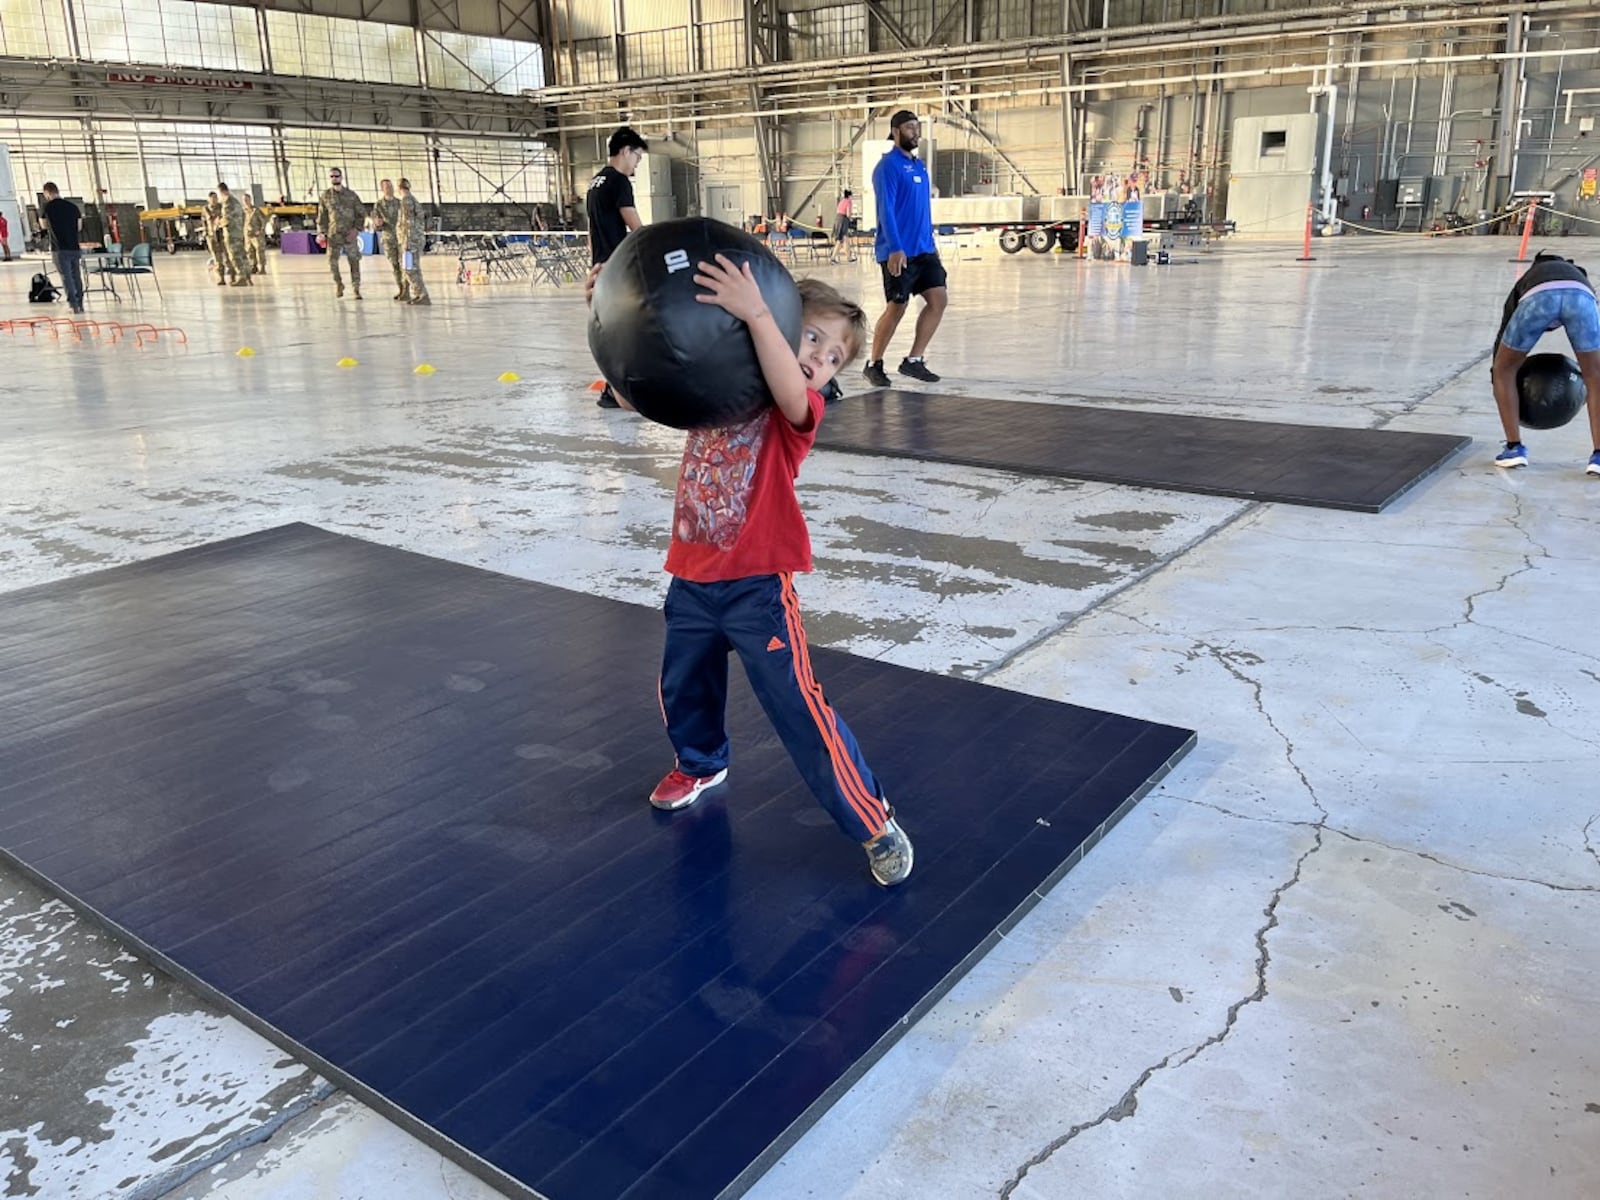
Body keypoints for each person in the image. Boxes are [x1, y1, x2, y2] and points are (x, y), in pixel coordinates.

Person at [588, 257, 914, 886]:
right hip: (692, 575)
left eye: (836, 357)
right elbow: (638, 393)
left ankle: (873, 821)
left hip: (757, 586)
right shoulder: (718, 392)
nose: (821, 358)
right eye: (812, 337)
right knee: (684, 685)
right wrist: (607, 316)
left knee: (798, 707)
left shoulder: (799, 415)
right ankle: (702, 762)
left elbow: (792, 389)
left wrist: (760, 312)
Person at [1489, 249, 1600, 476]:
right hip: (1581, 297)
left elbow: (1504, 331)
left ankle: (1513, 449)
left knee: (1503, 369)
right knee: (1595, 376)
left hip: (1539, 298)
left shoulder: (1529, 278)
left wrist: (1498, 371)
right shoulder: (1579, 277)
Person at [861, 111, 948, 388]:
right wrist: (896, 248)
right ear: (896, 131)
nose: (916, 132)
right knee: (897, 307)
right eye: (910, 127)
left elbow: (922, 211)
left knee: (938, 300)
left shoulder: (919, 166)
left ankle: (913, 361)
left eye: (917, 127)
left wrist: (932, 245)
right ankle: (874, 363)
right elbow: (885, 210)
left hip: (924, 250)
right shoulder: (888, 167)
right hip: (898, 252)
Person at [587, 126, 647, 408]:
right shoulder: (619, 181)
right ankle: (617, 391)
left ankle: (613, 388)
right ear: (626, 151)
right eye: (637, 157)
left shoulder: (595, 182)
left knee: (609, 331)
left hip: (600, 265)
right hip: (618, 267)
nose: (637, 164)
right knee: (626, 331)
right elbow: (635, 227)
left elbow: (592, 231)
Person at [316, 167, 365, 300]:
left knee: (354, 262)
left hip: (349, 234)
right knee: (332, 262)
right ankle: (339, 284)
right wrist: (321, 232)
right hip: (334, 235)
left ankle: (356, 288)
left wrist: (356, 230)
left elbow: (361, 214)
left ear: (341, 177)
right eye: (331, 176)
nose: (334, 179)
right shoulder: (325, 196)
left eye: (336, 176)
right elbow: (322, 216)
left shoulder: (351, 195)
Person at [40, 183, 84, 314]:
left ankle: (73, 305)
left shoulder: (47, 207)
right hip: (74, 247)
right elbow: (80, 227)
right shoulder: (73, 207)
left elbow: (43, 225)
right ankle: (80, 304)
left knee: (66, 277)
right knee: (76, 276)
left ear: (47, 194)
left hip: (59, 248)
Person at [371, 179, 407, 301]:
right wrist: (378, 224)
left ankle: (406, 290)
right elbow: (376, 224)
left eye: (391, 186)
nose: (389, 189)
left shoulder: (400, 203)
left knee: (405, 265)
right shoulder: (379, 205)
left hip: (402, 238)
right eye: (386, 187)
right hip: (389, 239)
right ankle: (401, 288)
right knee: (395, 265)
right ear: (382, 189)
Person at [396, 178, 429, 306]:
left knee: (408, 268)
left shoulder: (406, 201)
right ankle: (418, 293)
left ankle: (422, 294)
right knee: (414, 268)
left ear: (399, 188)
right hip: (415, 239)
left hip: (410, 241)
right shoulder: (413, 199)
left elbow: (407, 223)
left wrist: (406, 242)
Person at [217, 183, 252, 287]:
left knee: (235, 256)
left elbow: (227, 219)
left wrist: (218, 223)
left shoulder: (228, 202)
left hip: (231, 233)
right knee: (243, 255)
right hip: (239, 232)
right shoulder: (236, 201)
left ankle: (242, 277)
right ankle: (248, 276)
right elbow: (243, 216)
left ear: (221, 191)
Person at [202, 191, 232, 286]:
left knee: (228, 256)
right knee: (216, 258)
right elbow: (204, 223)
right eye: (212, 198)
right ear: (209, 199)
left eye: (215, 198)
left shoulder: (222, 207)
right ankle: (221, 277)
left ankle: (232, 276)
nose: (214, 200)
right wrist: (206, 234)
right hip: (212, 236)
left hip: (222, 235)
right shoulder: (205, 209)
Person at [243, 195, 267, 275]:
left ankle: (262, 268)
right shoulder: (243, 211)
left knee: (259, 251)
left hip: (256, 235)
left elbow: (263, 221)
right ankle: (253, 266)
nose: (245, 201)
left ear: (250, 200)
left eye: (247, 199)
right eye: (244, 200)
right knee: (250, 252)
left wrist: (261, 230)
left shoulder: (256, 210)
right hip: (247, 235)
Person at [829, 190, 855, 264]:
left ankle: (849, 258)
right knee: (840, 240)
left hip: (837, 219)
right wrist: (851, 218)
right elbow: (848, 214)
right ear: (849, 196)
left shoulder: (842, 201)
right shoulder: (848, 202)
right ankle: (833, 258)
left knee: (845, 239)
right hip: (843, 220)